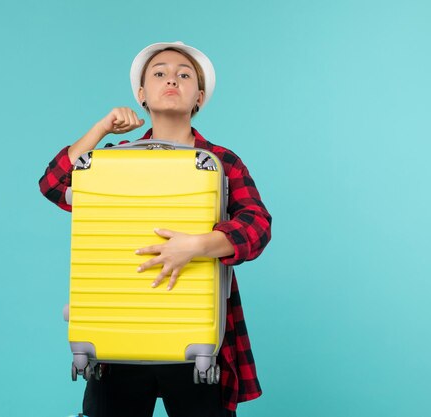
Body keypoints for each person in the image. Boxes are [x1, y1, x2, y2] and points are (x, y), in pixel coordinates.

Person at [39, 41, 272, 417]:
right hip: (120, 332)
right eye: (159, 73)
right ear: (142, 94)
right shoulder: (112, 161)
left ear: (198, 96)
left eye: (184, 75)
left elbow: (257, 226)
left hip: (196, 335)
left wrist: (196, 245)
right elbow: (53, 185)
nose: (172, 80)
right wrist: (100, 130)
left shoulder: (222, 162)